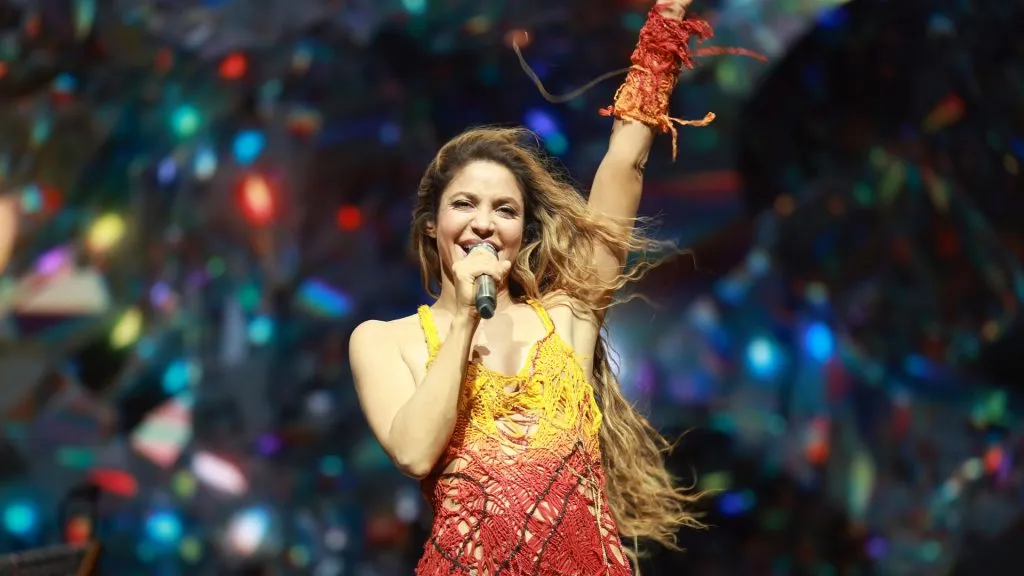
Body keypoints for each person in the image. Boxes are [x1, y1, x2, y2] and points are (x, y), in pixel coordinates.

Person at [350, 1, 758, 573]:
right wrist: (466, 317)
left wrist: (664, 26)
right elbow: (416, 454)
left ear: (522, 231)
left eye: (505, 209)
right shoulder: (383, 341)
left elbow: (625, 165)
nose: (485, 222)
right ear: (430, 225)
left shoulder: (567, 317)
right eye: (464, 204)